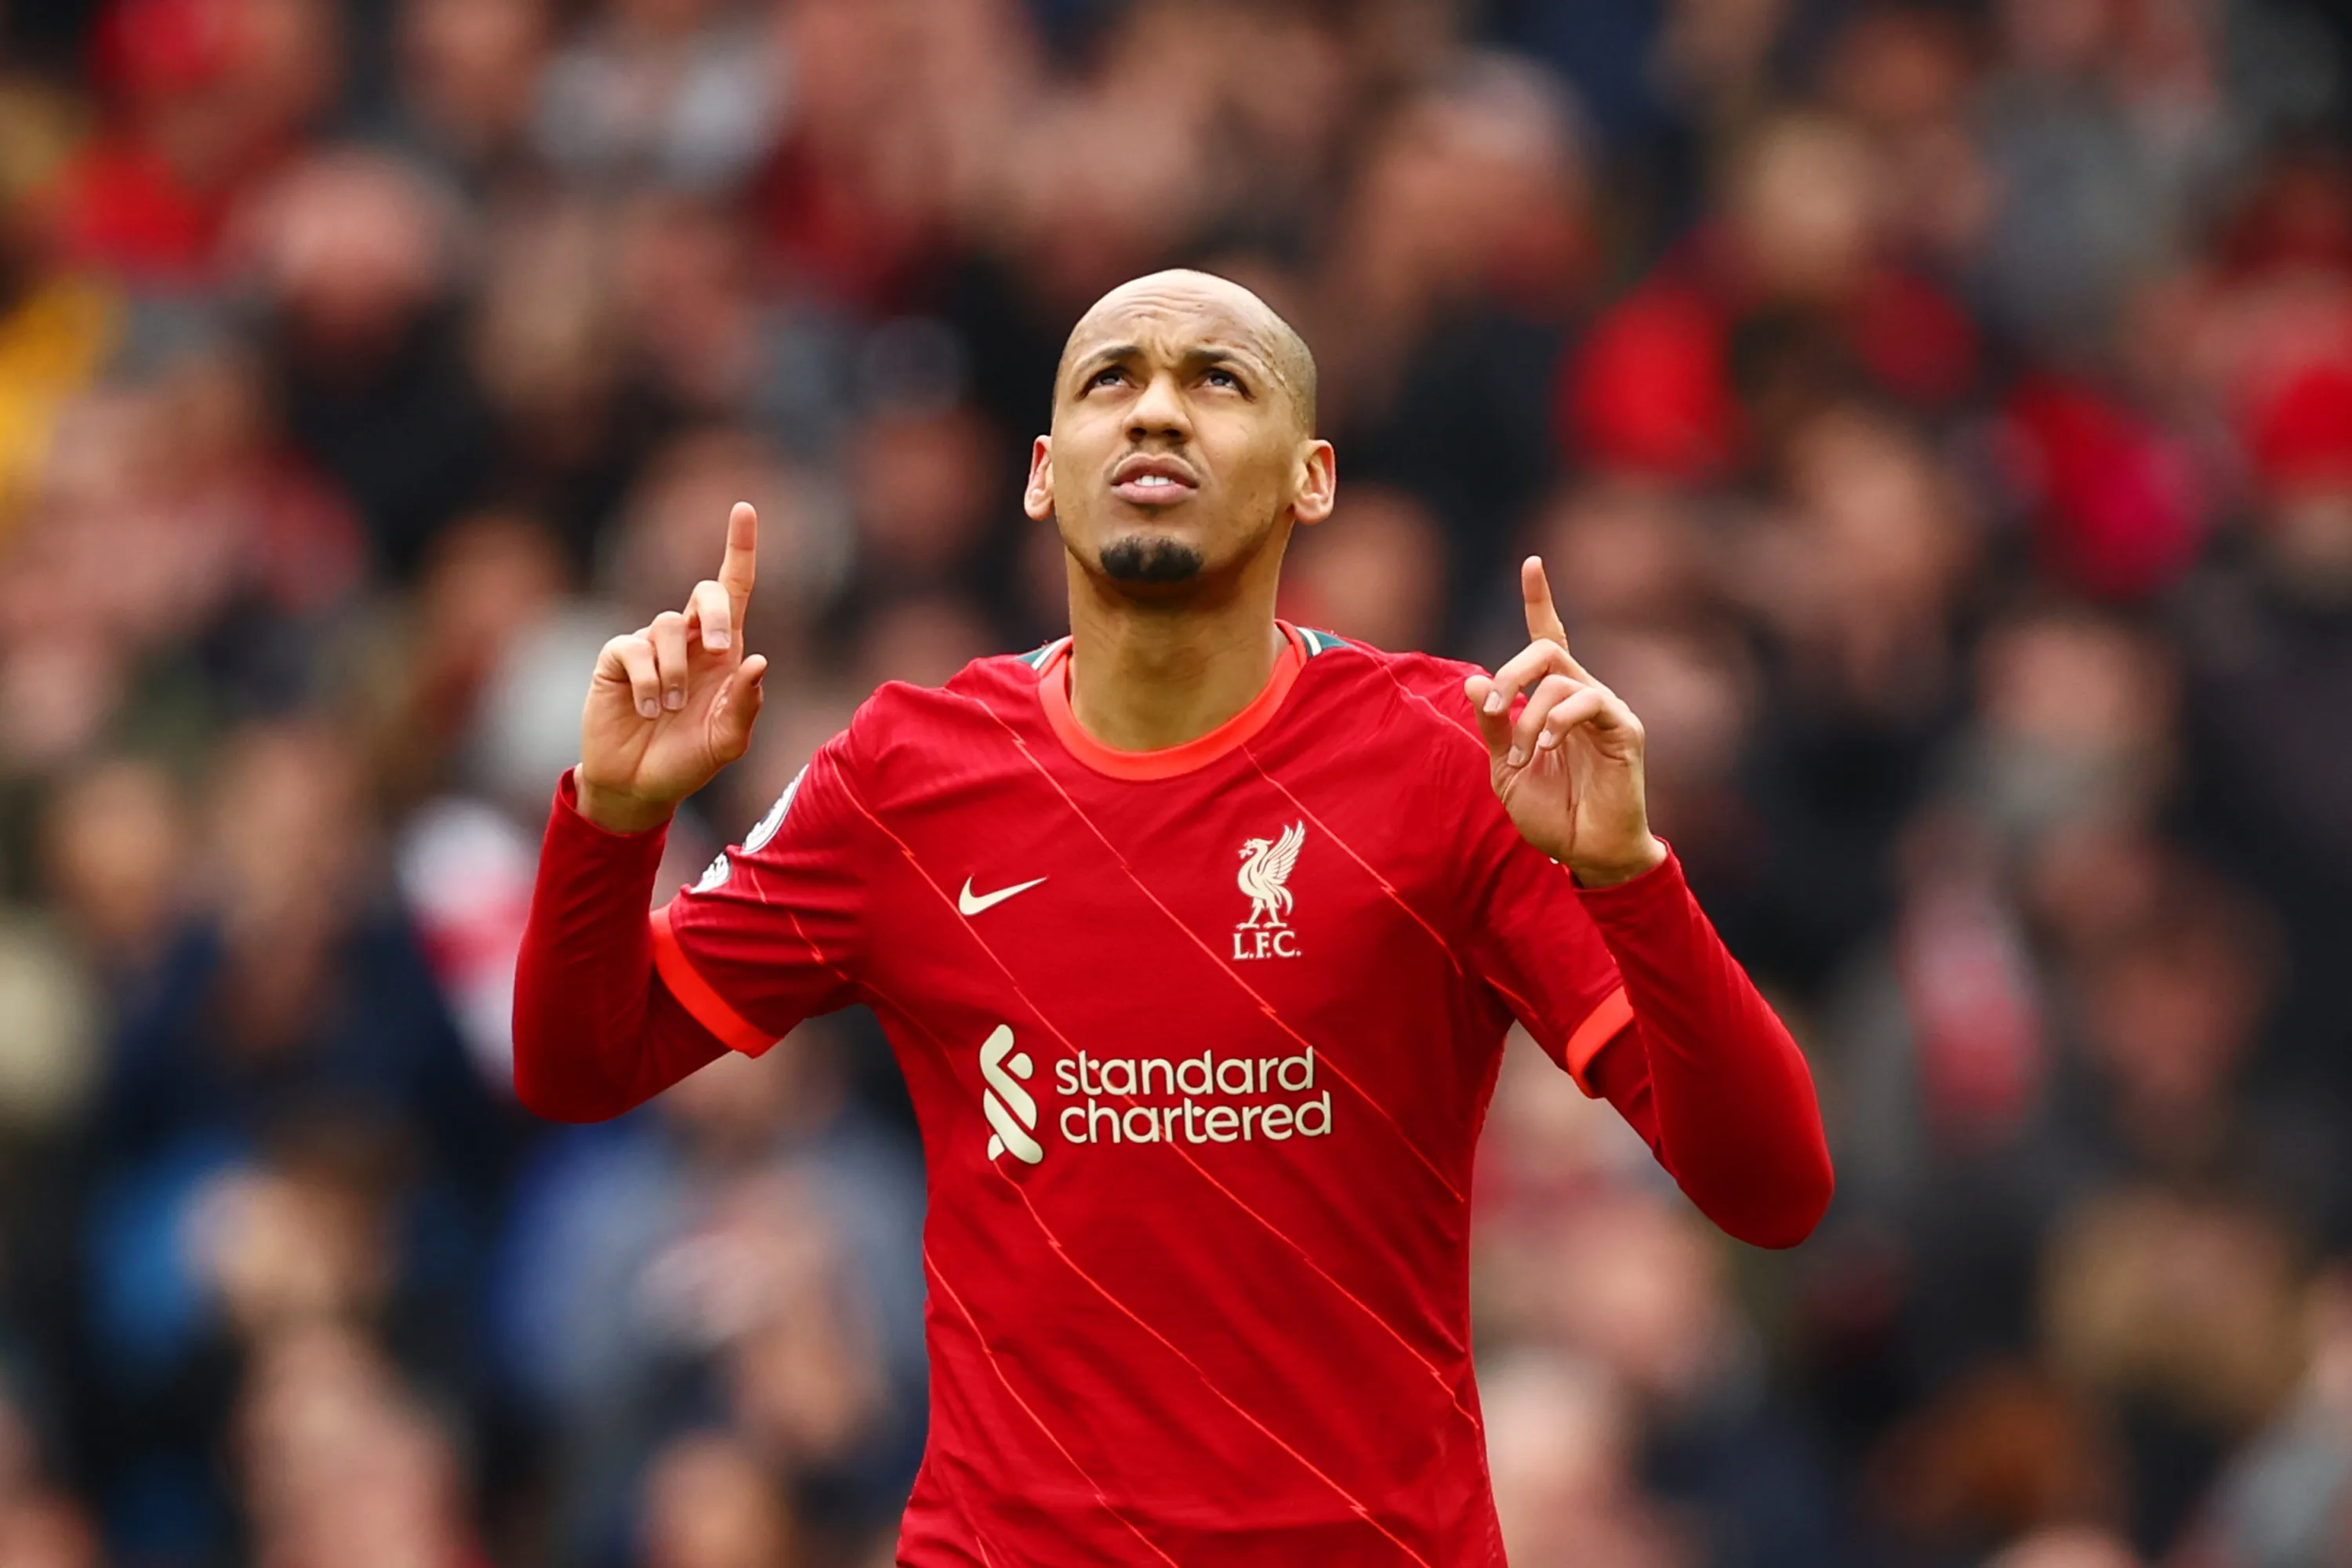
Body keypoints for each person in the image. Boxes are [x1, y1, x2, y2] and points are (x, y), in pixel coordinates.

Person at [513, 269, 1833, 1565]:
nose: (1155, 409)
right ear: (1044, 474)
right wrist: (614, 822)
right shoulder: (905, 775)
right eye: (1111, 380)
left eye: (1216, 380)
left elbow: (1772, 1191)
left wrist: (1630, 876)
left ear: (1312, 478)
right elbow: (583, 1066)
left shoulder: (1456, 762)